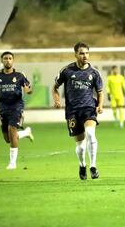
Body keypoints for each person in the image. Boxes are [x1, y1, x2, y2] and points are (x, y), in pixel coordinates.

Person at [52, 42, 104, 180]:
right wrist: (57, 99)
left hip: (89, 108)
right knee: (80, 146)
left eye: (87, 53)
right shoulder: (67, 71)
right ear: (75, 54)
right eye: (82, 53)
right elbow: (55, 87)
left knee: (91, 134)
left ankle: (93, 166)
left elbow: (100, 92)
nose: (85, 56)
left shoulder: (94, 73)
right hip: (72, 111)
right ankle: (82, 165)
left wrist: (100, 105)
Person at [0, 51, 34, 170]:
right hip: (4, 109)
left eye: (10, 58)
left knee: (12, 129)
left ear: (13, 60)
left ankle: (12, 163)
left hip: (16, 107)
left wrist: (28, 90)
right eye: (5, 58)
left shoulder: (19, 75)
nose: (8, 60)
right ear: (2, 61)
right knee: (8, 138)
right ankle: (26, 132)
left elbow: (29, 88)